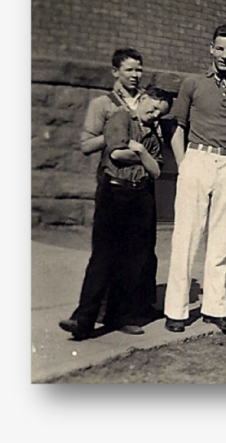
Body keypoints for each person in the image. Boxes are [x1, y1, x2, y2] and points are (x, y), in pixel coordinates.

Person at [163, 24, 226, 336]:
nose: (225, 55)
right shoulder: (192, 84)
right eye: (220, 48)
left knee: (220, 240)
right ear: (211, 48)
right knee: (186, 236)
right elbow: (177, 127)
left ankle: (215, 310)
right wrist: (184, 164)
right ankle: (176, 310)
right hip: (197, 158)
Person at [59, 86, 173, 340]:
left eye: (160, 113)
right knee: (103, 258)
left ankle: (121, 317)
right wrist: (143, 158)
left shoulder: (153, 135)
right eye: (152, 107)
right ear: (141, 99)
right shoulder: (120, 117)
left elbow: (156, 172)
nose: (154, 114)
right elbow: (117, 153)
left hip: (141, 196)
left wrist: (141, 151)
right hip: (115, 193)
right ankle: (83, 320)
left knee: (134, 261)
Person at [79, 48, 162, 320]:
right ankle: (95, 312)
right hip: (113, 183)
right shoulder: (104, 104)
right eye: (129, 70)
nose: (135, 75)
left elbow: (154, 144)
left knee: (139, 253)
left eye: (139, 69)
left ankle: (130, 310)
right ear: (115, 72)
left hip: (141, 186)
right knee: (105, 252)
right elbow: (85, 145)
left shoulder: (150, 102)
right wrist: (116, 131)